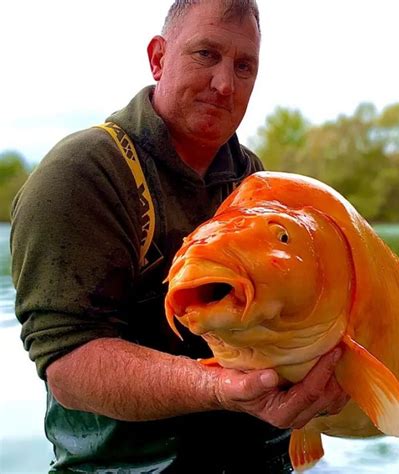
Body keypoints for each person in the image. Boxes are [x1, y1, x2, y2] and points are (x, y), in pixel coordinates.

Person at [10, 1, 348, 472]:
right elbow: (68, 363)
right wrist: (217, 387)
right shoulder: (81, 174)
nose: (225, 84)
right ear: (158, 58)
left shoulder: (256, 181)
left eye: (244, 66)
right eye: (206, 54)